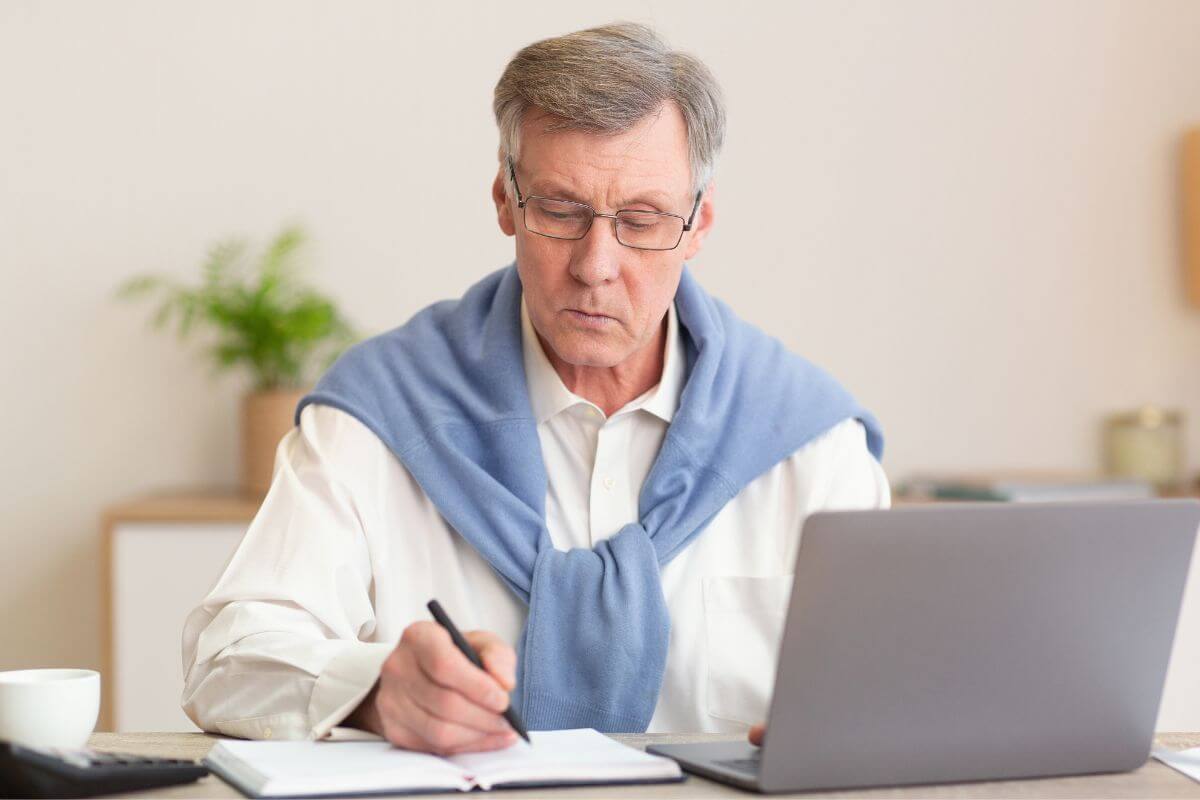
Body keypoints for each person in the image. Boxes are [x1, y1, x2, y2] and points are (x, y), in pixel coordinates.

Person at [181, 21, 889, 756]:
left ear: (698, 224)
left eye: (642, 220)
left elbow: (901, 682)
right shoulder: (379, 414)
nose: (596, 265)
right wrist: (373, 690)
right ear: (505, 200)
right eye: (560, 210)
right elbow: (228, 661)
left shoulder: (810, 445)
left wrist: (863, 725)